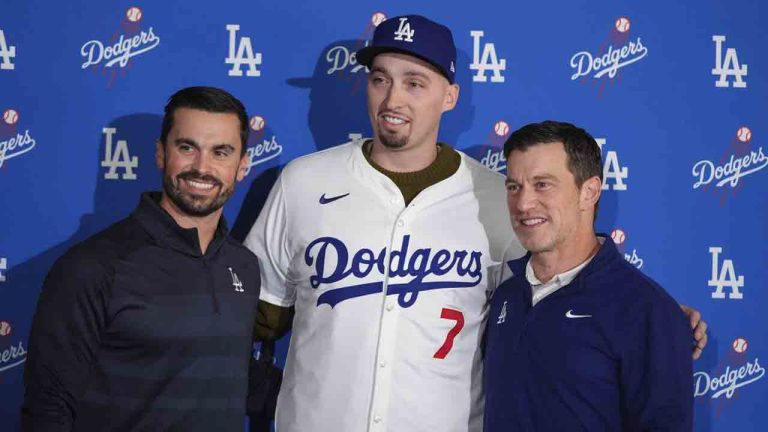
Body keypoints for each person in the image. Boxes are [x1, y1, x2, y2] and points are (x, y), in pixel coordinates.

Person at [244, 15, 706, 432]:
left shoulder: (497, 195)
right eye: (380, 78)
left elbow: (561, 280)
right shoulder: (303, 182)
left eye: (415, 83)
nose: (392, 98)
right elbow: (252, 311)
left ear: (450, 96)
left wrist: (655, 323)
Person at [22, 86, 261, 431]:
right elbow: (49, 406)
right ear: (161, 154)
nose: (201, 167)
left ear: (243, 166)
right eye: (186, 147)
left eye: (220, 152)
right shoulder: (94, 266)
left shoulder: (244, 267)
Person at [484, 121, 693, 431]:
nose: (523, 204)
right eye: (514, 186)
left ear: (589, 192)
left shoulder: (646, 310)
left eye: (543, 184)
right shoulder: (506, 296)